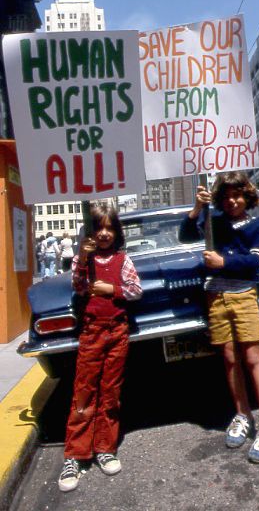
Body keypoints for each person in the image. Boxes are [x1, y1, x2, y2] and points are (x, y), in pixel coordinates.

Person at [179, 172, 259, 464]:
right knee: (229, 357)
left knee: (253, 357)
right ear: (220, 199)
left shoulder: (257, 225)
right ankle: (242, 413)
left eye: (238, 195)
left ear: (247, 196)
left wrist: (224, 262)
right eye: (226, 196)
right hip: (215, 297)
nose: (232, 201)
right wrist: (197, 208)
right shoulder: (214, 222)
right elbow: (186, 235)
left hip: (243, 295)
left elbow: (256, 262)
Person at [58, 204, 142, 492]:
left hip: (117, 332)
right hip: (92, 332)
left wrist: (113, 290)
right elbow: (79, 287)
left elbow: (135, 290)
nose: (104, 233)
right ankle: (74, 455)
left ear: (116, 232)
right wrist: (82, 258)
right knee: (84, 390)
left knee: (111, 391)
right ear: (90, 232)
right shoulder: (84, 259)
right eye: (98, 228)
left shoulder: (123, 259)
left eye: (109, 228)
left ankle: (105, 447)